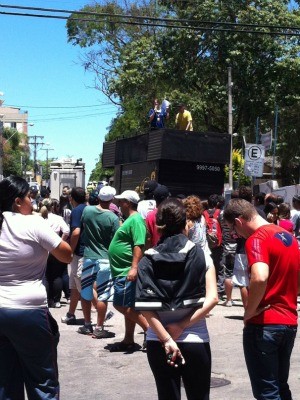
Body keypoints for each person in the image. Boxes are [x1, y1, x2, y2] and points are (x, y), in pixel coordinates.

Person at [135, 198, 218, 400]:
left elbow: (144, 307)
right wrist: (181, 325)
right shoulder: (201, 255)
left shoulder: (147, 259)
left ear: (158, 226)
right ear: (186, 223)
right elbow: (213, 298)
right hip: (195, 339)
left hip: (158, 341)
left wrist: (166, 338)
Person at [0, 176, 72, 400]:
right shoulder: (32, 223)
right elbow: (66, 254)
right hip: (29, 310)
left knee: (5, 380)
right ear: (17, 201)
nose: (33, 203)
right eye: (30, 198)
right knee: (42, 380)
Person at [224, 199, 300, 400]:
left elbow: (260, 276)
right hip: (289, 322)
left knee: (267, 392)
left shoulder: (257, 239)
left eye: (234, 229)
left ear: (239, 222)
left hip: (264, 325)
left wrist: (249, 311)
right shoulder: (288, 237)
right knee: (280, 387)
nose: (237, 235)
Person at [108, 190, 149, 352]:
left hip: (126, 270)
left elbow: (138, 244)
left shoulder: (136, 220)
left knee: (120, 304)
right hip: (121, 269)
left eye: (122, 201)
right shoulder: (130, 220)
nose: (119, 204)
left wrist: (134, 267)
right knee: (129, 306)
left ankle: (150, 330)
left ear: (129, 203)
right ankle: (129, 339)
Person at [78, 186, 119, 338]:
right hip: (105, 259)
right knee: (102, 295)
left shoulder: (87, 211)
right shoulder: (113, 218)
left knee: (86, 291)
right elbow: (115, 240)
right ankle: (99, 327)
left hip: (88, 256)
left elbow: (83, 227)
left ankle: (87, 324)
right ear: (112, 199)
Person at [61, 187, 87, 324]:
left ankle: (104, 312)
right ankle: (71, 314)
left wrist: (70, 250)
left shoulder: (76, 211)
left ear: (72, 198)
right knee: (74, 285)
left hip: (79, 253)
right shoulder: (89, 208)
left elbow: (76, 232)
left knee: (82, 285)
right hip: (83, 251)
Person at [40, 198, 70, 308]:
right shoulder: (58, 218)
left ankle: (48, 300)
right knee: (57, 275)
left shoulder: (38, 218)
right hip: (55, 248)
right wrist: (60, 241)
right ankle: (57, 300)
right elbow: (66, 230)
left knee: (46, 276)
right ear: (52, 206)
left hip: (42, 249)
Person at [145, 184, 170, 248]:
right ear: (167, 198)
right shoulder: (171, 214)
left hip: (154, 253)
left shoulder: (150, 216)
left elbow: (148, 238)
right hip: (170, 253)